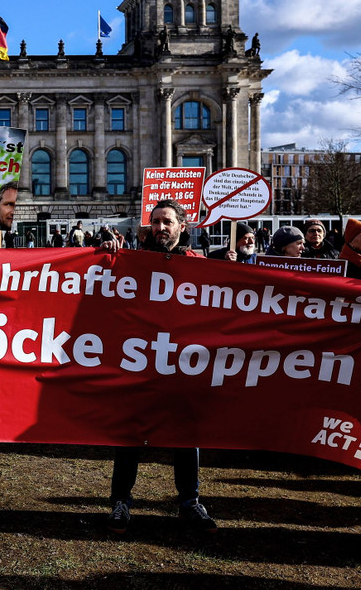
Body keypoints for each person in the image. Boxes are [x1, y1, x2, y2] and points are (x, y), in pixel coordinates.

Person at [101, 199, 217, 534]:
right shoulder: (133, 261)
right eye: (155, 222)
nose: (160, 228)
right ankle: (120, 502)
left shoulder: (200, 264)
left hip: (183, 363)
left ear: (182, 225)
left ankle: (190, 502)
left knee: (186, 434)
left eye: (167, 221)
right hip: (140, 361)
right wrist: (108, 253)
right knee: (130, 435)